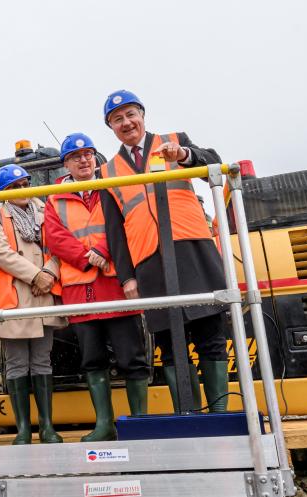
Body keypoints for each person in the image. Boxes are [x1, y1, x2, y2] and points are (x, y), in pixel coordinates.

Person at [99, 89, 229, 412]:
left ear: (143, 115)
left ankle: (220, 417)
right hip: (149, 263)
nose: (126, 122)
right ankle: (188, 415)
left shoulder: (173, 140)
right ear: (111, 127)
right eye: (117, 119)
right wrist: (127, 277)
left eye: (131, 114)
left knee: (209, 336)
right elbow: (115, 230)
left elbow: (214, 162)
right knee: (170, 347)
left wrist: (185, 155)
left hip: (192, 251)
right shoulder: (107, 171)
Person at [45, 133, 150, 442]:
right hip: (80, 288)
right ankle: (104, 425)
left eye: (88, 154)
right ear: (66, 164)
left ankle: (139, 424)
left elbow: (124, 222)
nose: (84, 160)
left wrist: (104, 251)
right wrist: (86, 258)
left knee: (132, 357)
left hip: (115, 284)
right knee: (92, 360)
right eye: (76, 156)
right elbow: (54, 236)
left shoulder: (111, 187)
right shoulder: (53, 197)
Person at [0, 164, 65, 445]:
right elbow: (3, 254)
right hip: (14, 299)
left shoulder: (48, 212)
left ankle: (47, 427)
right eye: (14, 187)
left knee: (42, 361)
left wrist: (49, 273)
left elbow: (59, 247)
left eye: (24, 184)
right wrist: (36, 275)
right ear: (3, 193)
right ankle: (23, 429)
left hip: (44, 293)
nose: (22, 190)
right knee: (17, 364)